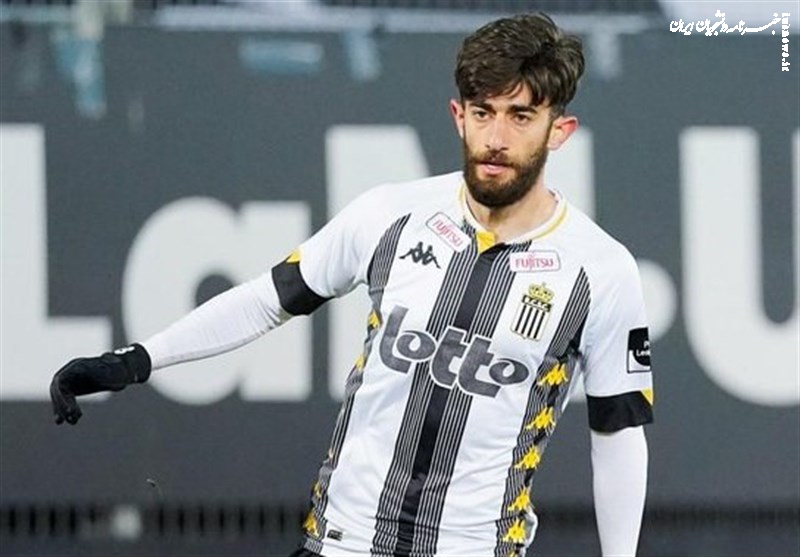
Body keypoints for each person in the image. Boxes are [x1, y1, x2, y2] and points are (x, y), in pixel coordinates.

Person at [50, 13, 653, 557]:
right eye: (482, 111)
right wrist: (137, 359)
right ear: (457, 116)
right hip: (341, 543)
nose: (496, 137)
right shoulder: (389, 214)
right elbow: (266, 300)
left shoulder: (600, 270)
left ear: (559, 130)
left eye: (520, 116)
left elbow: (617, 433)